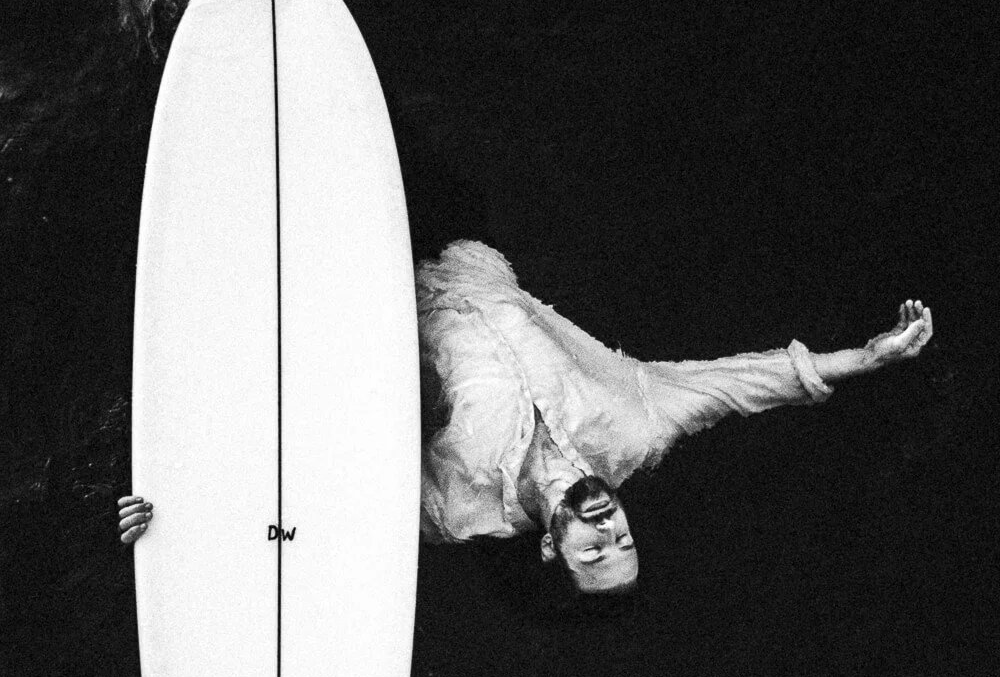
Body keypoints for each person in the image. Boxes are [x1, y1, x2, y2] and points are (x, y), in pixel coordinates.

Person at [119, 240, 933, 599]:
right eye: (624, 542)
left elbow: (314, 519)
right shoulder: (636, 427)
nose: (610, 533)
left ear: (553, 549)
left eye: (594, 553)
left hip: (368, 269)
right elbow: (738, 385)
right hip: (466, 250)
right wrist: (870, 356)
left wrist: (175, 520)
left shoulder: (460, 510)